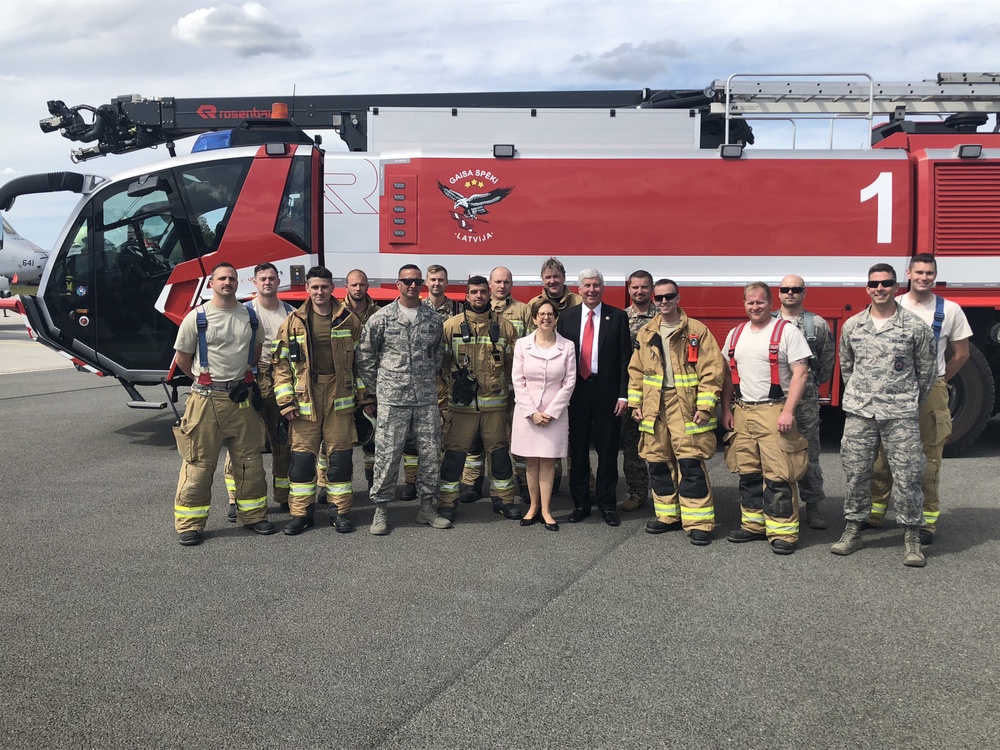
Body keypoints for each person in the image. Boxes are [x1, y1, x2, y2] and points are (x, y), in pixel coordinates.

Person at [833, 263, 937, 567]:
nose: (880, 288)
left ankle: (911, 538)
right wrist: (862, 395)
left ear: (896, 287)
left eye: (886, 283)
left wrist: (905, 401)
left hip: (900, 414)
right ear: (867, 288)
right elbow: (847, 367)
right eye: (874, 283)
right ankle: (853, 529)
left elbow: (926, 373)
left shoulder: (915, 327)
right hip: (860, 413)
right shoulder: (852, 326)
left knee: (908, 476)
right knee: (855, 473)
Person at [867, 254, 971, 545]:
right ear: (908, 273)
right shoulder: (891, 304)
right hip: (892, 389)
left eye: (930, 273)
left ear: (935, 275)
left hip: (930, 390)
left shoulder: (949, 310)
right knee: (882, 455)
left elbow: (962, 353)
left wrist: (940, 382)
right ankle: (875, 514)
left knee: (928, 457)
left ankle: (927, 521)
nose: (924, 277)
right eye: (919, 272)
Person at [171, 262, 276, 546]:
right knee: (198, 464)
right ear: (211, 284)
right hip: (204, 400)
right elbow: (182, 359)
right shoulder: (197, 318)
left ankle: (253, 516)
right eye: (221, 278)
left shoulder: (251, 318)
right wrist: (205, 380)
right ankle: (190, 524)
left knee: (249, 461)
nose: (227, 282)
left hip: (240, 399)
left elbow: (253, 355)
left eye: (231, 278)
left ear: (237, 282)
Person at [356, 263, 452, 535]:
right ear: (397, 284)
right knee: (387, 456)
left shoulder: (433, 320)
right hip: (392, 401)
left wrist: (423, 381)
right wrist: (380, 388)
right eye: (406, 281)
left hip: (425, 400)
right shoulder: (381, 318)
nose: (412, 285)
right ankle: (381, 510)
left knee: (431, 455)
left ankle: (427, 508)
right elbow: (365, 356)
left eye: (416, 281)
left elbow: (438, 354)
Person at [628, 278, 724, 545]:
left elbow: (712, 371)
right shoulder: (647, 332)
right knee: (657, 462)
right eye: (659, 298)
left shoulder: (696, 330)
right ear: (654, 301)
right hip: (654, 406)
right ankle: (668, 515)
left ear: (678, 298)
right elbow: (636, 371)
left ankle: (699, 522)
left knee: (690, 462)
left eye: (669, 296)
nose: (663, 302)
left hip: (686, 406)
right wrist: (635, 404)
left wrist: (706, 407)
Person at [721, 282, 811, 555]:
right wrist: (726, 409)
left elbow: (801, 372)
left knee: (778, 474)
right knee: (747, 472)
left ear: (771, 302)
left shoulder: (787, 332)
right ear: (744, 304)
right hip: (743, 411)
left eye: (760, 302)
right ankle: (753, 525)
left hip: (774, 410)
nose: (755, 307)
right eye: (750, 302)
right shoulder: (735, 334)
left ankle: (783, 532)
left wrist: (788, 411)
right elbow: (727, 375)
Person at [271, 266, 363, 535]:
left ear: (332, 288)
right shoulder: (292, 321)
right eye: (314, 287)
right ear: (307, 289)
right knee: (301, 460)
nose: (319, 292)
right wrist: (286, 401)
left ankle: (340, 512)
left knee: (340, 459)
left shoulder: (348, 320)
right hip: (304, 399)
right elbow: (280, 365)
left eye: (324, 286)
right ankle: (302, 514)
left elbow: (362, 363)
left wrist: (364, 397)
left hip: (340, 397)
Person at [438, 275, 520, 521]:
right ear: (466, 296)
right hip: (460, 408)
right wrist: (443, 400)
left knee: (500, 454)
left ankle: (504, 501)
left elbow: (514, 366)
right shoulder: (451, 327)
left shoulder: (505, 327)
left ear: (490, 294)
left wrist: (514, 400)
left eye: (483, 292)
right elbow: (440, 366)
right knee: (454, 456)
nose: (479, 296)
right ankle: (446, 503)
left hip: (495, 406)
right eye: (474, 292)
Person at [557, 268, 631, 526]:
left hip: (607, 392)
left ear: (603, 288)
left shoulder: (618, 317)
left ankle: (607, 505)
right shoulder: (566, 318)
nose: (592, 290)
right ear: (579, 289)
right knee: (577, 451)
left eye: (596, 285)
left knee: (608, 450)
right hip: (576, 392)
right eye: (587, 285)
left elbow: (625, 360)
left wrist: (624, 394)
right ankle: (580, 504)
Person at [223, 263, 295, 521]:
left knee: (284, 442)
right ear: (254, 282)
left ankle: (284, 496)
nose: (267, 282)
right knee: (244, 443)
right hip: (251, 380)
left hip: (282, 378)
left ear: (279, 281)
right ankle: (235, 499)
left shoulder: (290, 313)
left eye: (272, 278)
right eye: (263, 278)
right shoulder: (244, 312)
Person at [458, 266, 534, 504]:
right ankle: (471, 483)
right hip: (480, 392)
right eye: (498, 282)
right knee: (475, 441)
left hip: (512, 389)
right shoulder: (457, 322)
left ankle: (523, 481)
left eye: (507, 282)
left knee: (514, 439)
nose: (502, 286)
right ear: (490, 286)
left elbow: (530, 348)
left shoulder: (523, 311)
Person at [394, 264, 461, 502]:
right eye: (432, 279)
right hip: (422, 384)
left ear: (446, 281)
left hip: (448, 383)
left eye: (441, 279)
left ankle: (439, 482)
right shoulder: (418, 309)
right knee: (414, 439)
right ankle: (412, 481)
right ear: (427, 282)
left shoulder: (457, 309)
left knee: (443, 437)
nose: (436, 283)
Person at [773, 274, 835, 530]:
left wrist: (808, 387)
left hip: (806, 401)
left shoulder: (817, 325)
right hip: (774, 399)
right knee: (776, 453)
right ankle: (781, 507)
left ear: (804, 293)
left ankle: (813, 507)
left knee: (809, 454)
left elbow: (827, 362)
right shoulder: (768, 322)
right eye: (785, 289)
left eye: (796, 289)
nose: (790, 293)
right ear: (778, 293)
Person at [512, 298, 576, 530]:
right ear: (534, 318)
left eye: (550, 314)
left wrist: (549, 412)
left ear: (556, 318)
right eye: (541, 314)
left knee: (548, 462)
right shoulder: (522, 344)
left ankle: (547, 511)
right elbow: (518, 380)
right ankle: (533, 507)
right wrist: (532, 412)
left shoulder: (567, 346)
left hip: (554, 414)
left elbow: (569, 383)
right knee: (531, 462)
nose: (546, 317)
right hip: (528, 414)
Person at [341, 268, 381, 488]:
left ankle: (372, 481)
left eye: (362, 284)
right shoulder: (336, 312)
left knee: (372, 441)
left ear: (367, 286)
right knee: (336, 441)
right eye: (354, 285)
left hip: (370, 384)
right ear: (346, 287)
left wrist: (370, 394)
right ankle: (327, 487)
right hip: (342, 385)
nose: (358, 288)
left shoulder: (379, 314)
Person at [620, 270, 657, 512]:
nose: (639, 291)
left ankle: (668, 492)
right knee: (632, 446)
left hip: (659, 394)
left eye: (644, 287)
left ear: (651, 289)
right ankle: (637, 492)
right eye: (635, 287)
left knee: (661, 446)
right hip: (633, 392)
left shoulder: (662, 315)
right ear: (629, 289)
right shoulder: (621, 318)